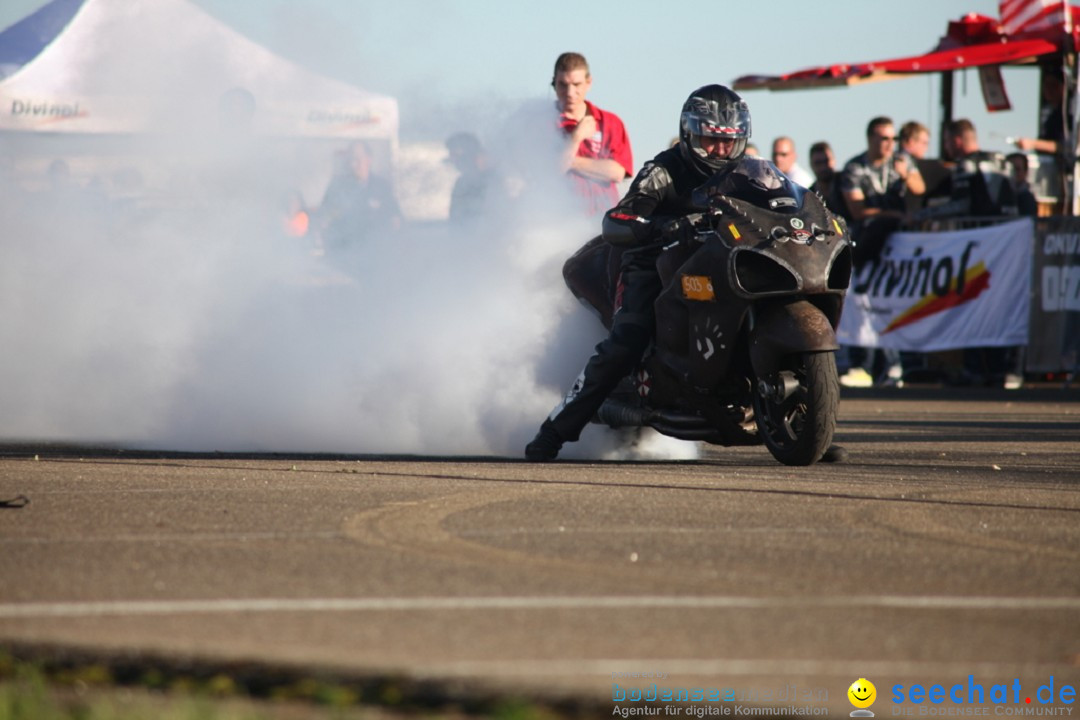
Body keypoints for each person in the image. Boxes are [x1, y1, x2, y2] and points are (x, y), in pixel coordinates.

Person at [525, 84, 846, 463]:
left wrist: (816, 215)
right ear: (690, 133)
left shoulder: (750, 173)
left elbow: (787, 199)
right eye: (711, 141)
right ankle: (553, 432)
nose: (720, 150)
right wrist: (654, 227)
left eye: (729, 142)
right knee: (628, 339)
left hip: (718, 258)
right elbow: (620, 217)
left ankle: (805, 427)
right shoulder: (663, 169)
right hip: (654, 261)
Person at [838, 116, 925, 388]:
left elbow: (920, 189)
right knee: (865, 305)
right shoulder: (854, 168)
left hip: (899, 247)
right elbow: (858, 211)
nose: (889, 144)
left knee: (897, 305)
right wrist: (893, 215)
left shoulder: (901, 161)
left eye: (893, 138)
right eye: (883, 138)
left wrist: (906, 174)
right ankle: (864, 365)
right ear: (870, 138)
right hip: (868, 244)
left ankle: (897, 366)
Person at [551, 52, 633, 215]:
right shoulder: (541, 122)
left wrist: (568, 160)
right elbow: (548, 172)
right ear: (554, 83)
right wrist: (575, 138)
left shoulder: (609, 121)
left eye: (576, 84)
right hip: (558, 219)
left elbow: (617, 172)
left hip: (602, 220)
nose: (570, 92)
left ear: (588, 83)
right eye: (563, 84)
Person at [919, 119, 1017, 220]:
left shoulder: (966, 164)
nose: (946, 147)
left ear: (957, 141)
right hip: (1010, 227)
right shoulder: (1002, 159)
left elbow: (960, 205)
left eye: (947, 141)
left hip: (982, 230)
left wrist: (920, 215)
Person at [316, 140, 402, 252]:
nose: (353, 165)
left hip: (377, 253)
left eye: (358, 159)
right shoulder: (337, 187)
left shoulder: (382, 187)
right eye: (351, 160)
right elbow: (324, 216)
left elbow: (395, 219)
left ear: (369, 159)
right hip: (345, 253)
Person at [445, 131, 499, 223]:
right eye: (451, 155)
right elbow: (457, 222)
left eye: (456, 155)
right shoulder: (462, 183)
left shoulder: (496, 181)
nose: (453, 160)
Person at [807, 141, 839, 211]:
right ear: (811, 165)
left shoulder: (847, 185)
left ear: (834, 160)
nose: (823, 167)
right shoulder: (809, 196)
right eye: (818, 163)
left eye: (826, 161)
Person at [1006, 152, 1039, 217]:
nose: (1013, 173)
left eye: (1017, 169)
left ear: (1025, 172)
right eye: (1010, 169)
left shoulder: (1027, 199)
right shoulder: (998, 195)